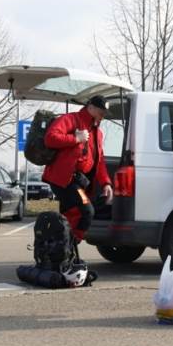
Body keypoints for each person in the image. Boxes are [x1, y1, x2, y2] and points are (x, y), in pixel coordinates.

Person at [42, 95, 114, 243]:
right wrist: (76, 139)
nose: (103, 116)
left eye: (105, 114)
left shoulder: (98, 133)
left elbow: (99, 162)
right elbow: (50, 138)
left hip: (79, 182)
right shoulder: (71, 119)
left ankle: (63, 250)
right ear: (91, 107)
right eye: (101, 112)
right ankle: (69, 245)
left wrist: (106, 183)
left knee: (72, 216)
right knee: (86, 212)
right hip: (64, 179)